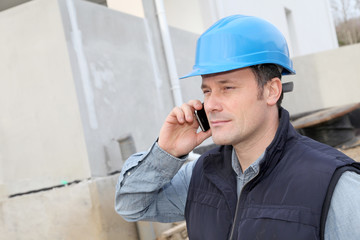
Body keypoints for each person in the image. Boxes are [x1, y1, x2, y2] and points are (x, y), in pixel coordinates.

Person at [115, 15, 360, 239]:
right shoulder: (201, 175)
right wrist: (166, 153)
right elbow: (131, 205)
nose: (210, 105)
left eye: (227, 88)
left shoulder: (334, 184)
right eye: (207, 91)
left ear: (271, 90)